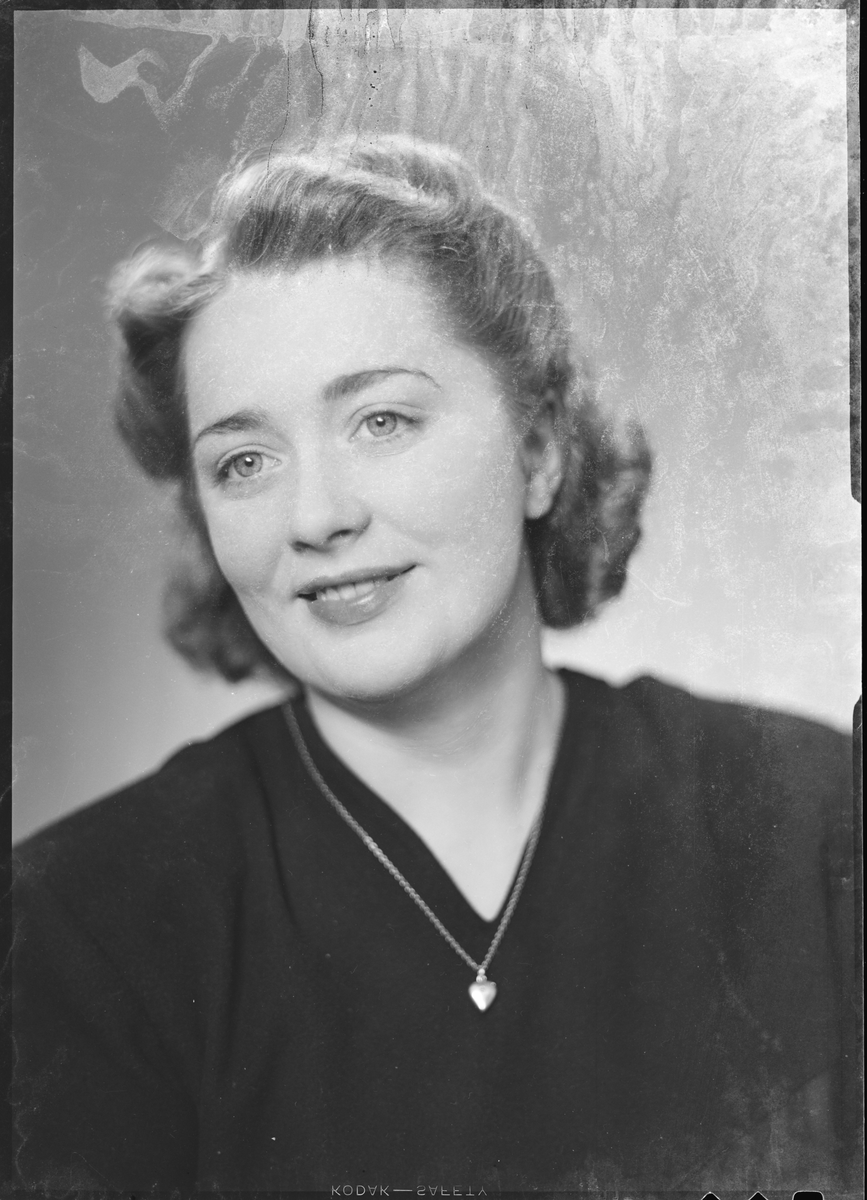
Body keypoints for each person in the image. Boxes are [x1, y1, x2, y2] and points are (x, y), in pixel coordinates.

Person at [11, 137, 856, 1192]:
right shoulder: (77, 926)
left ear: (538, 452)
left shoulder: (816, 820)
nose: (317, 516)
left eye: (382, 420)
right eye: (244, 461)